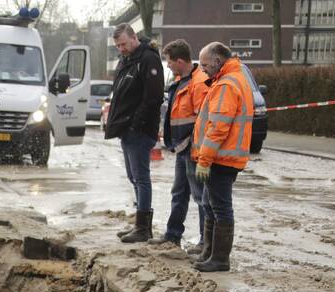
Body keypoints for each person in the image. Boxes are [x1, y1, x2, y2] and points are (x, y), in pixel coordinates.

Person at [191, 42, 254, 273]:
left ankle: (219, 259)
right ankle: (209, 252)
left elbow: (218, 126)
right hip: (224, 158)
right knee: (209, 204)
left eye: (205, 64)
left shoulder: (227, 84)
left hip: (221, 159)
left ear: (218, 61)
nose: (202, 69)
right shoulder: (232, 79)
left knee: (220, 208)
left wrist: (204, 160)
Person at [105, 24, 164, 244]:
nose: (120, 48)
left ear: (134, 38)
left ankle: (142, 228)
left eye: (123, 44)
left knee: (141, 178)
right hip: (127, 129)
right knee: (133, 177)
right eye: (118, 45)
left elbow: (153, 97)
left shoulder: (148, 59)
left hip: (139, 130)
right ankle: (140, 224)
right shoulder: (127, 60)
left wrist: (135, 123)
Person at [149, 39, 210, 250]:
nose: (167, 65)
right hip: (182, 148)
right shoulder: (181, 80)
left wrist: (194, 147)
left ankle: (205, 242)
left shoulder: (199, 83)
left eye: (169, 61)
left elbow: (203, 120)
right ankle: (173, 235)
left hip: (192, 150)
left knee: (200, 197)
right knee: (179, 193)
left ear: (181, 61)